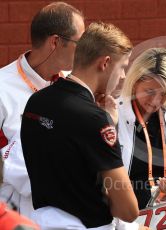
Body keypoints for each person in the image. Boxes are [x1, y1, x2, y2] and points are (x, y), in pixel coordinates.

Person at [21, 22, 139, 230]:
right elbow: (128, 210)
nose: (122, 76)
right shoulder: (94, 119)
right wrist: (107, 122)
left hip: (38, 220)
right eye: (123, 67)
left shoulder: (36, 101)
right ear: (105, 63)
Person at [0, 1, 85, 218]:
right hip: (14, 217)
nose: (84, 50)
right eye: (80, 42)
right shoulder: (2, 88)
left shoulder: (73, 86)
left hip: (67, 213)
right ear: (55, 42)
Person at [115, 48, 166, 229]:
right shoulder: (115, 114)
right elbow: (105, 183)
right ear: (135, 82)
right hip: (128, 221)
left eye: (165, 93)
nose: (156, 101)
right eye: (149, 91)